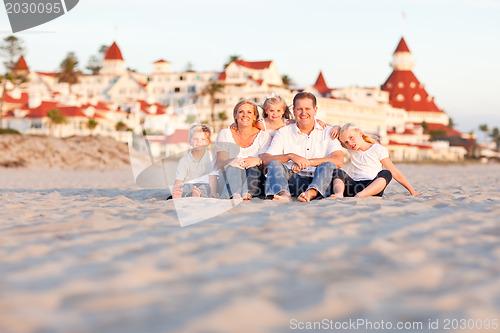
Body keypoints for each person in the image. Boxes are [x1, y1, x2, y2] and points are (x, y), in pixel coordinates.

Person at [262, 92, 344, 202]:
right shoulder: (283, 132)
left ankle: (311, 193)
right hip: (293, 180)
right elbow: (266, 159)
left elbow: (338, 160)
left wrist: (307, 162)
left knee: (328, 164)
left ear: (315, 110)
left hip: (320, 181)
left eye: (307, 108)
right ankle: (285, 195)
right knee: (274, 163)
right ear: (294, 111)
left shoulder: (328, 132)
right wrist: (291, 156)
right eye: (299, 109)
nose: (303, 113)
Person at [331, 123, 419, 198]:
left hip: (372, 188)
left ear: (360, 133)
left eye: (351, 137)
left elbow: (395, 172)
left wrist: (412, 191)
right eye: (346, 142)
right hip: (354, 187)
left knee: (387, 173)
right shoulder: (351, 148)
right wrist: (337, 127)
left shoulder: (378, 149)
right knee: (337, 172)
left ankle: (362, 195)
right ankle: (339, 193)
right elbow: (336, 137)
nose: (349, 143)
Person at [216, 99, 272, 200]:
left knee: (253, 166)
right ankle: (235, 193)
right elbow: (220, 164)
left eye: (249, 112)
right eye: (241, 112)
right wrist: (233, 161)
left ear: (255, 116)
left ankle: (248, 193)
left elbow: (267, 163)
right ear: (235, 115)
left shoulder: (264, 136)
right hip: (229, 179)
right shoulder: (225, 134)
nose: (245, 115)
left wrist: (257, 161)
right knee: (234, 166)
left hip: (254, 180)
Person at [172, 124, 218, 199]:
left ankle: (197, 195)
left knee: (203, 189)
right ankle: (180, 196)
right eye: (196, 139)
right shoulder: (184, 160)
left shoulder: (212, 157)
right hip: (189, 184)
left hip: (205, 184)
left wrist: (213, 192)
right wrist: (175, 190)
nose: (199, 141)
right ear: (190, 142)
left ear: (208, 142)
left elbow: (212, 177)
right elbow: (179, 180)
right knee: (185, 189)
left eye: (203, 139)